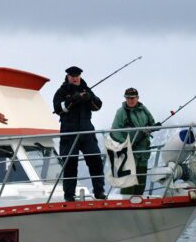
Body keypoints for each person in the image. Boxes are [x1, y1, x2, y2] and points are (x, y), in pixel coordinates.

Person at [52, 66, 106, 201]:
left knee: (95, 160)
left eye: (77, 76)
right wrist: (73, 99)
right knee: (70, 164)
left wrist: (89, 98)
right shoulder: (61, 91)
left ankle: (99, 191)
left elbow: (98, 106)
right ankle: (69, 195)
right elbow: (58, 109)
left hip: (87, 132)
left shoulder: (86, 89)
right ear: (68, 77)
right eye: (73, 76)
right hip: (69, 133)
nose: (75, 78)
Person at [110, 87, 158, 196]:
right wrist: (126, 143)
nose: (130, 100)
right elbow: (114, 132)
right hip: (128, 151)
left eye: (132, 98)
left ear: (137, 98)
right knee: (128, 182)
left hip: (143, 151)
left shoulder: (144, 110)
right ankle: (126, 203)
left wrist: (154, 127)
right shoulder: (121, 112)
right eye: (128, 98)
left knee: (141, 181)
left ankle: (138, 201)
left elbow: (151, 123)